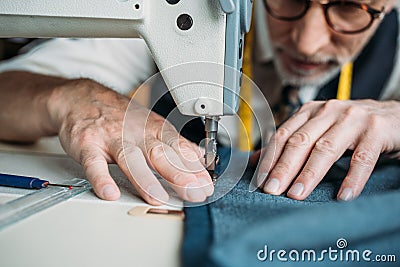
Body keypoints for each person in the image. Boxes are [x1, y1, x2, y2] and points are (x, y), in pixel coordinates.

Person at [0, 0, 398, 204]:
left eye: (350, 7)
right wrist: (73, 97)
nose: (306, 42)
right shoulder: (176, 14)